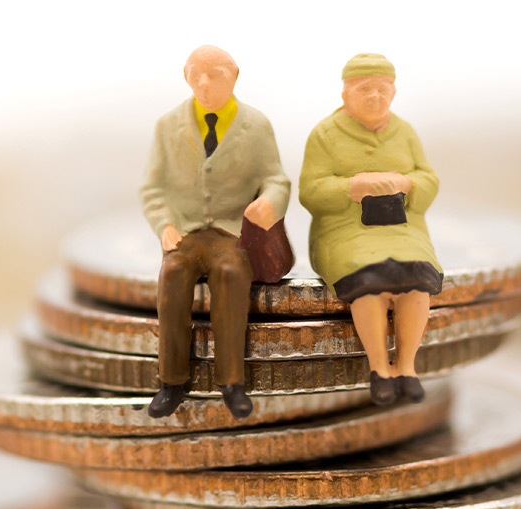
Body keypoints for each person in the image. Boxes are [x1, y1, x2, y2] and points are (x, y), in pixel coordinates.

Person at [140, 45, 291, 419]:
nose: (204, 84)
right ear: (186, 76)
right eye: (196, 75)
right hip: (186, 230)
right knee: (173, 272)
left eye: (215, 75)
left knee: (231, 273)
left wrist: (271, 201)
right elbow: (152, 188)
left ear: (234, 75)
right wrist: (165, 225)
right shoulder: (166, 125)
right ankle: (171, 381)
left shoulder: (256, 125)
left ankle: (232, 381)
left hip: (231, 231)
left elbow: (276, 178)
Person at [299, 53, 443, 406]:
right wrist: (352, 186)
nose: (375, 97)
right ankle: (379, 368)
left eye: (382, 89)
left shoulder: (405, 132)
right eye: (365, 89)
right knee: (371, 283)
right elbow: (310, 191)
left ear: (393, 92)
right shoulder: (325, 134)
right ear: (346, 93)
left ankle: (407, 366)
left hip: (402, 227)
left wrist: (407, 182)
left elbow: (430, 178)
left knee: (416, 281)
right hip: (346, 230)